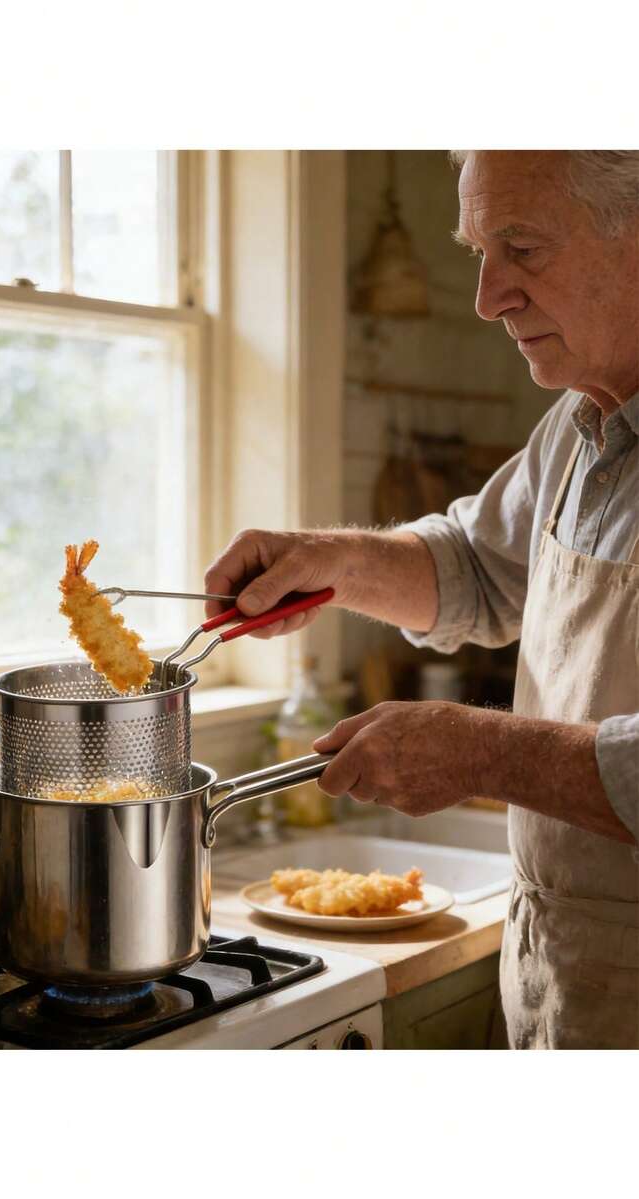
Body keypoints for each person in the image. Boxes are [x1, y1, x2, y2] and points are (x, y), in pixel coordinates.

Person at [204, 151, 638, 1050]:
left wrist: (483, 751)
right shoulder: (581, 425)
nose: (487, 298)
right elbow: (479, 566)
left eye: (520, 247)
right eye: (478, 249)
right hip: (571, 983)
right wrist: (324, 563)